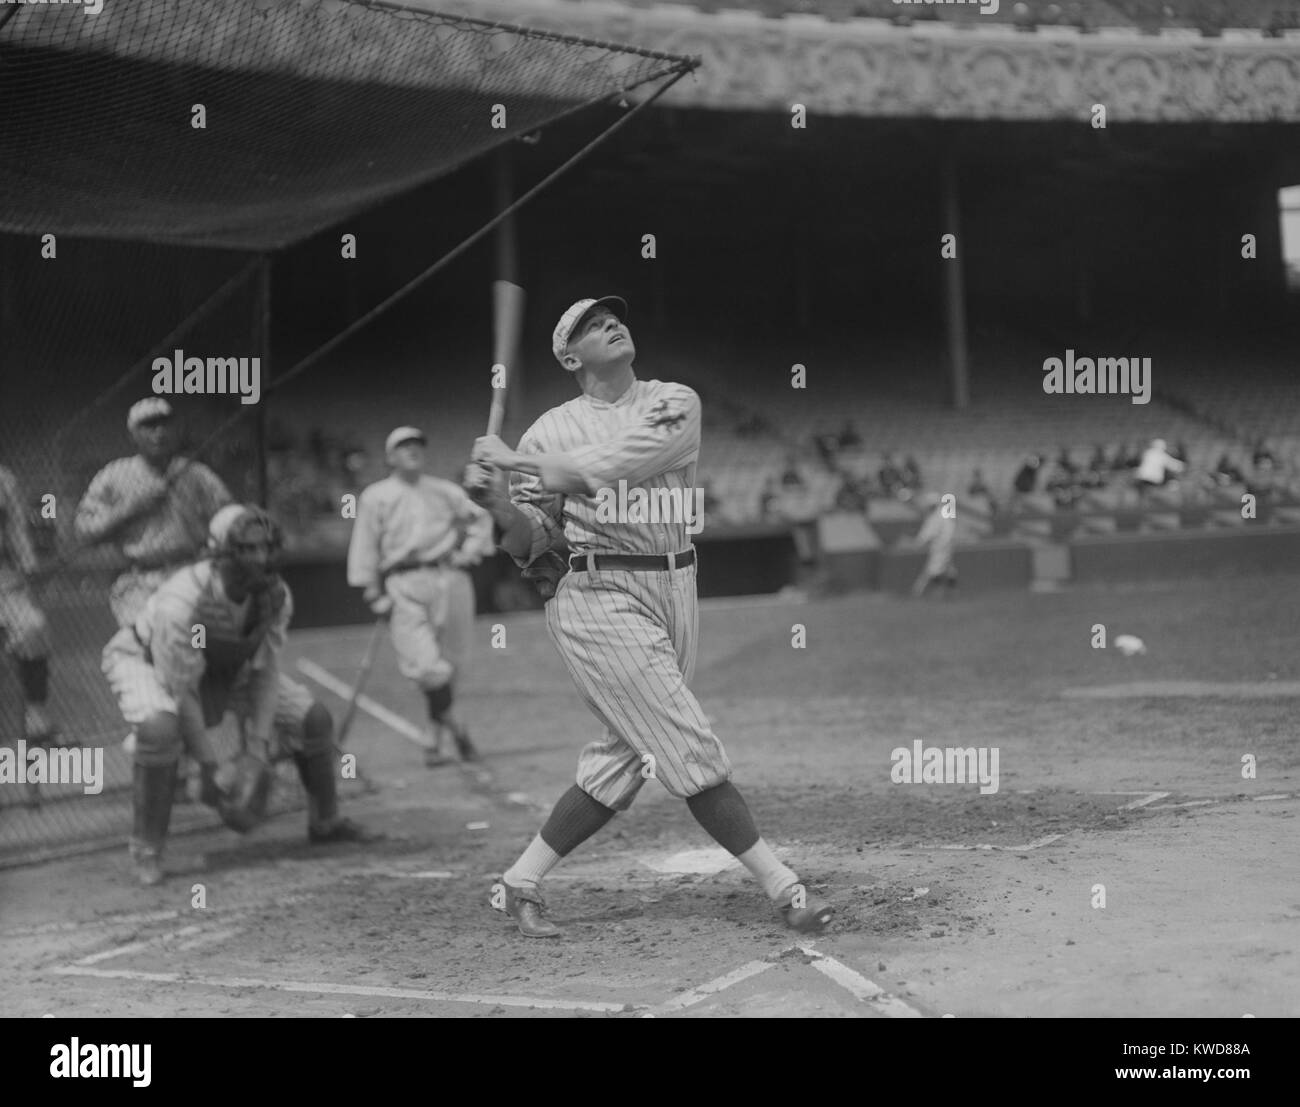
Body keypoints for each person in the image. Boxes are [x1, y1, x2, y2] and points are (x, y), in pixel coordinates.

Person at [465, 294, 833, 939]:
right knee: (684, 741)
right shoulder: (546, 431)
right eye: (588, 325)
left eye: (612, 317)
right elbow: (532, 543)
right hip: (595, 593)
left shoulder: (674, 400)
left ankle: (518, 883)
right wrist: (498, 501)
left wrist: (514, 462)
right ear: (567, 354)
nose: (609, 323)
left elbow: (613, 465)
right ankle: (784, 886)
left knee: (630, 754)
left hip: (676, 583)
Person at [102, 504, 371, 886]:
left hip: (226, 666)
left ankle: (326, 822)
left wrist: (257, 754)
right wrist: (211, 770)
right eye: (247, 549)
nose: (260, 559)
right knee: (160, 728)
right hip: (146, 659)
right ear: (220, 554)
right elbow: (183, 692)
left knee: (313, 720)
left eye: (265, 548)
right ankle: (147, 850)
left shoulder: (274, 597)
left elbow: (264, 672)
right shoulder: (181, 602)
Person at [347, 426, 493, 767]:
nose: (412, 449)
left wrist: (469, 552)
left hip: (449, 577)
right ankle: (457, 726)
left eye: (417, 444)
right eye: (403, 445)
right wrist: (372, 594)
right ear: (390, 456)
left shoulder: (443, 490)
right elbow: (365, 545)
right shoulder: (375, 495)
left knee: (453, 663)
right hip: (404, 582)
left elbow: (481, 517)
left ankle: (433, 740)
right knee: (428, 667)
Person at [75, 398, 232, 629]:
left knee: (197, 645)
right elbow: (83, 530)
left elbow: (229, 517)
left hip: (191, 572)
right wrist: (128, 510)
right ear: (133, 435)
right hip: (140, 579)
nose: (159, 433)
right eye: (149, 426)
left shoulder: (195, 473)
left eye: (165, 425)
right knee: (148, 643)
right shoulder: (114, 475)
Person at [1, 466, 59, 805]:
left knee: (33, 625)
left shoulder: (3, 479)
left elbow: (17, 530)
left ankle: (37, 709)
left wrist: (28, 566)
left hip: (3, 578)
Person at [911, 492, 958, 598]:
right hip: (947, 546)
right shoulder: (943, 515)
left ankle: (920, 593)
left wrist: (917, 543)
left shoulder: (935, 518)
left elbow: (926, 535)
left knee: (932, 570)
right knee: (949, 570)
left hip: (940, 547)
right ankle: (952, 593)